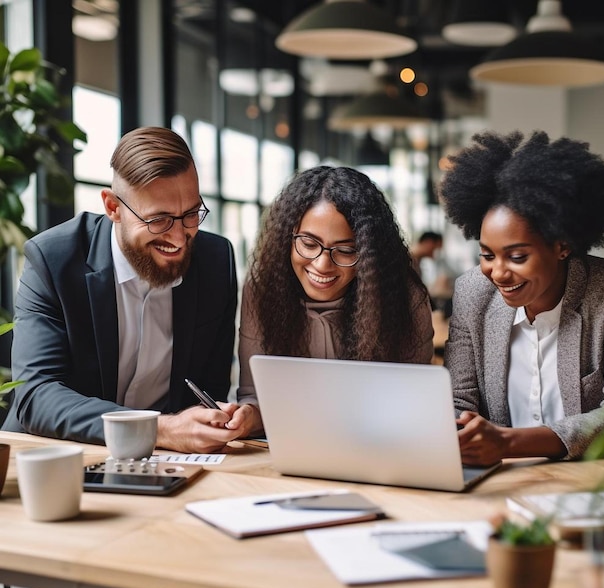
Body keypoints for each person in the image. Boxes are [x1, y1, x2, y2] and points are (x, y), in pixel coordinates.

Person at [3, 126, 249, 454]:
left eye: (191, 214)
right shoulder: (53, 260)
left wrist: (219, 418)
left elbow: (209, 388)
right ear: (113, 208)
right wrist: (157, 429)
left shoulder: (216, 261)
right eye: (159, 220)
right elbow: (37, 396)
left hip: (168, 459)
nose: (179, 238)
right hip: (57, 455)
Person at [438, 129, 604, 466]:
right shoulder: (473, 295)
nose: (498, 273)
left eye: (517, 257)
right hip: (500, 480)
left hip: (591, 483)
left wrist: (509, 443)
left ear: (562, 246)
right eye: (487, 255)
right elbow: (456, 399)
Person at [219, 165, 434, 434]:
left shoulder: (404, 298)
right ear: (287, 238)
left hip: (379, 448)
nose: (322, 264)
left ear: (368, 255)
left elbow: (414, 404)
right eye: (308, 244)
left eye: (345, 251)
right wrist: (248, 416)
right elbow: (254, 396)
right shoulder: (262, 290)